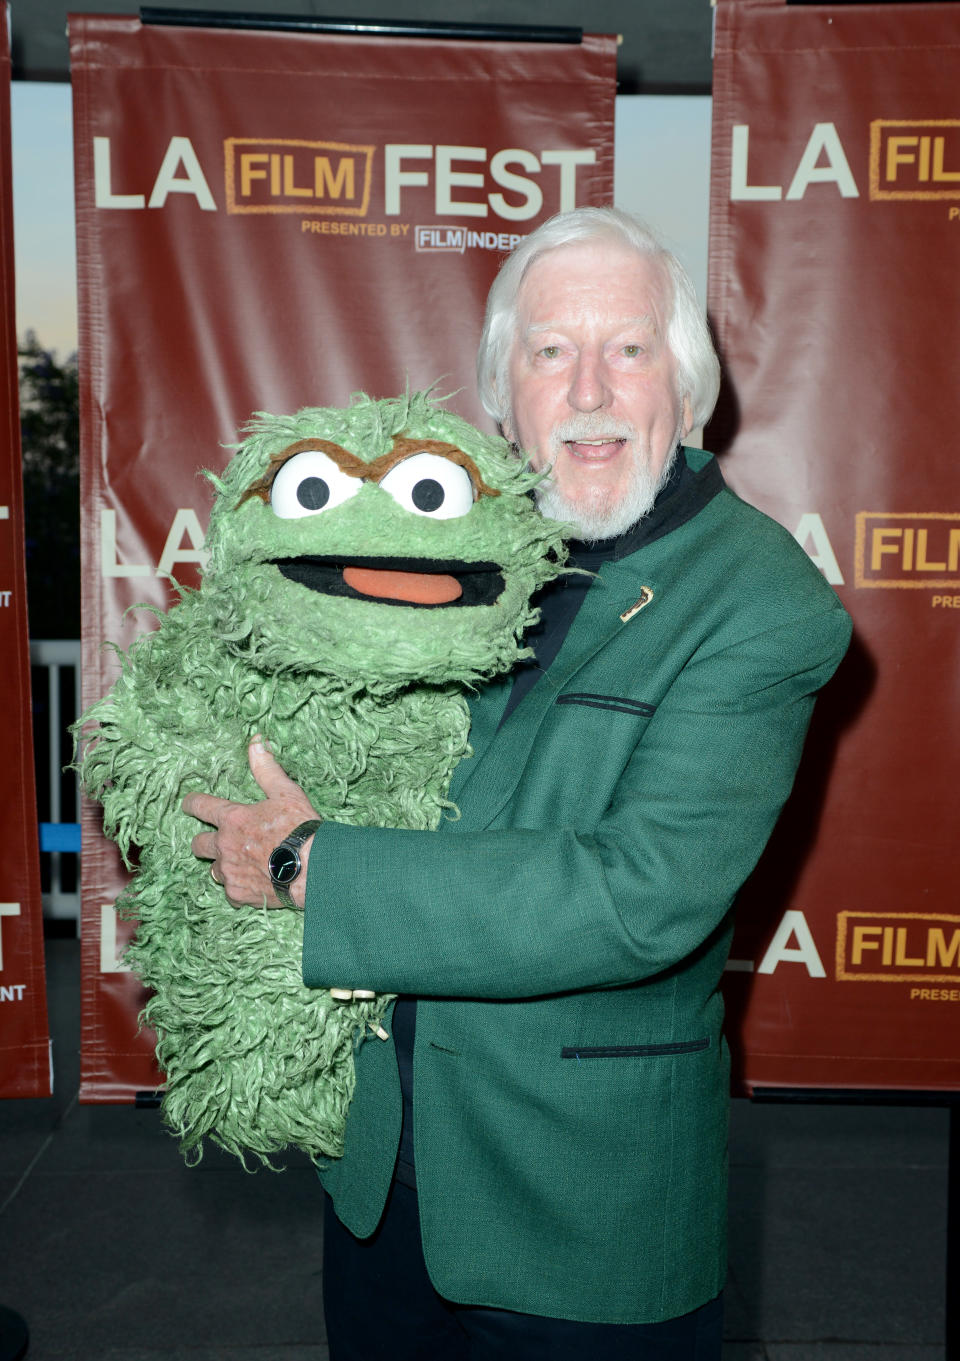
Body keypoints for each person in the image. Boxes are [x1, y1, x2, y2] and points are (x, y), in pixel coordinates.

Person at [183, 207, 851, 1358]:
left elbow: (635, 894)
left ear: (688, 393)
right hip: (382, 1186)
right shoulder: (440, 556)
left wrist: (312, 866)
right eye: (551, 352)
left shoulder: (762, 602)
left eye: (629, 349)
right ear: (503, 399)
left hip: (581, 1214)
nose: (590, 389)